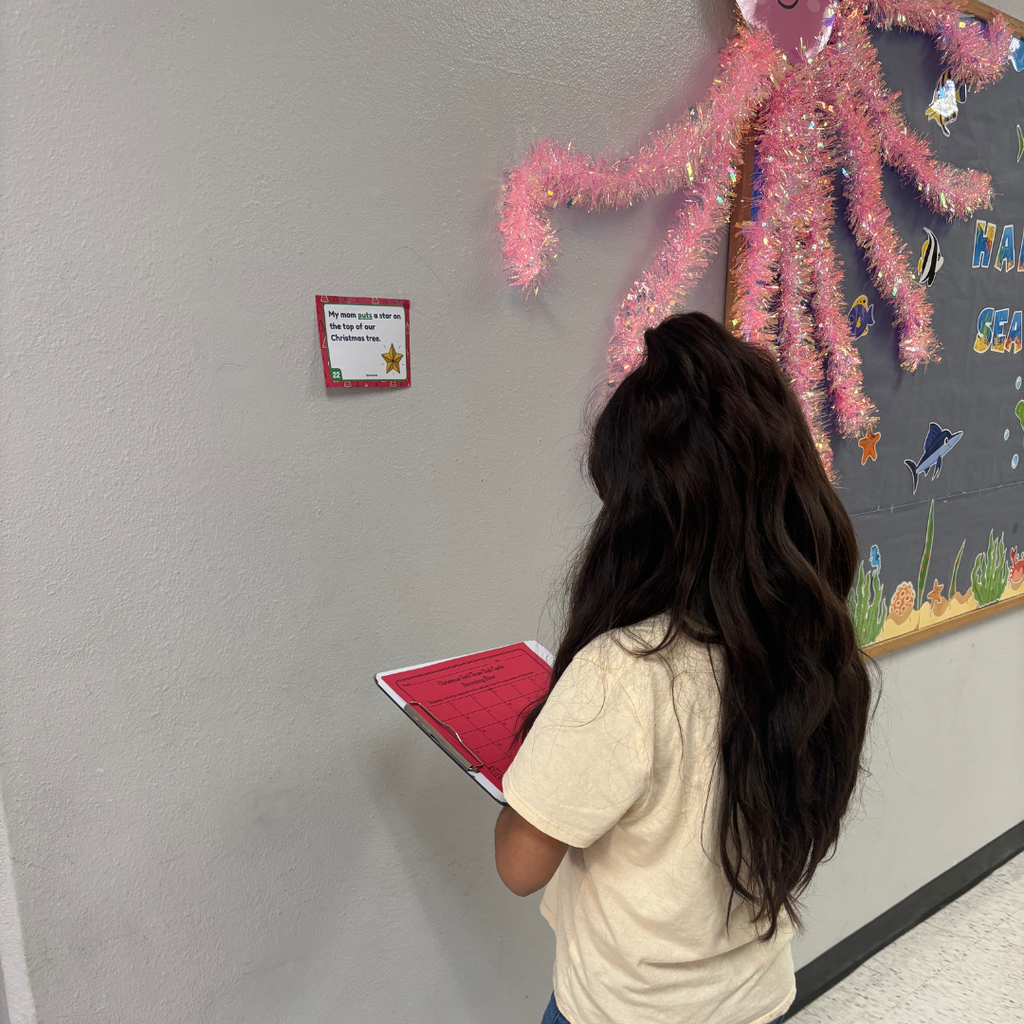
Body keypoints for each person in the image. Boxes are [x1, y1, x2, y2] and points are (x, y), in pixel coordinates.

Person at [493, 312, 877, 1024]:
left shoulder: (622, 674)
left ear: (643, 519)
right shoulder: (813, 649)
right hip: (757, 1000)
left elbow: (520, 867)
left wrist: (529, 780)